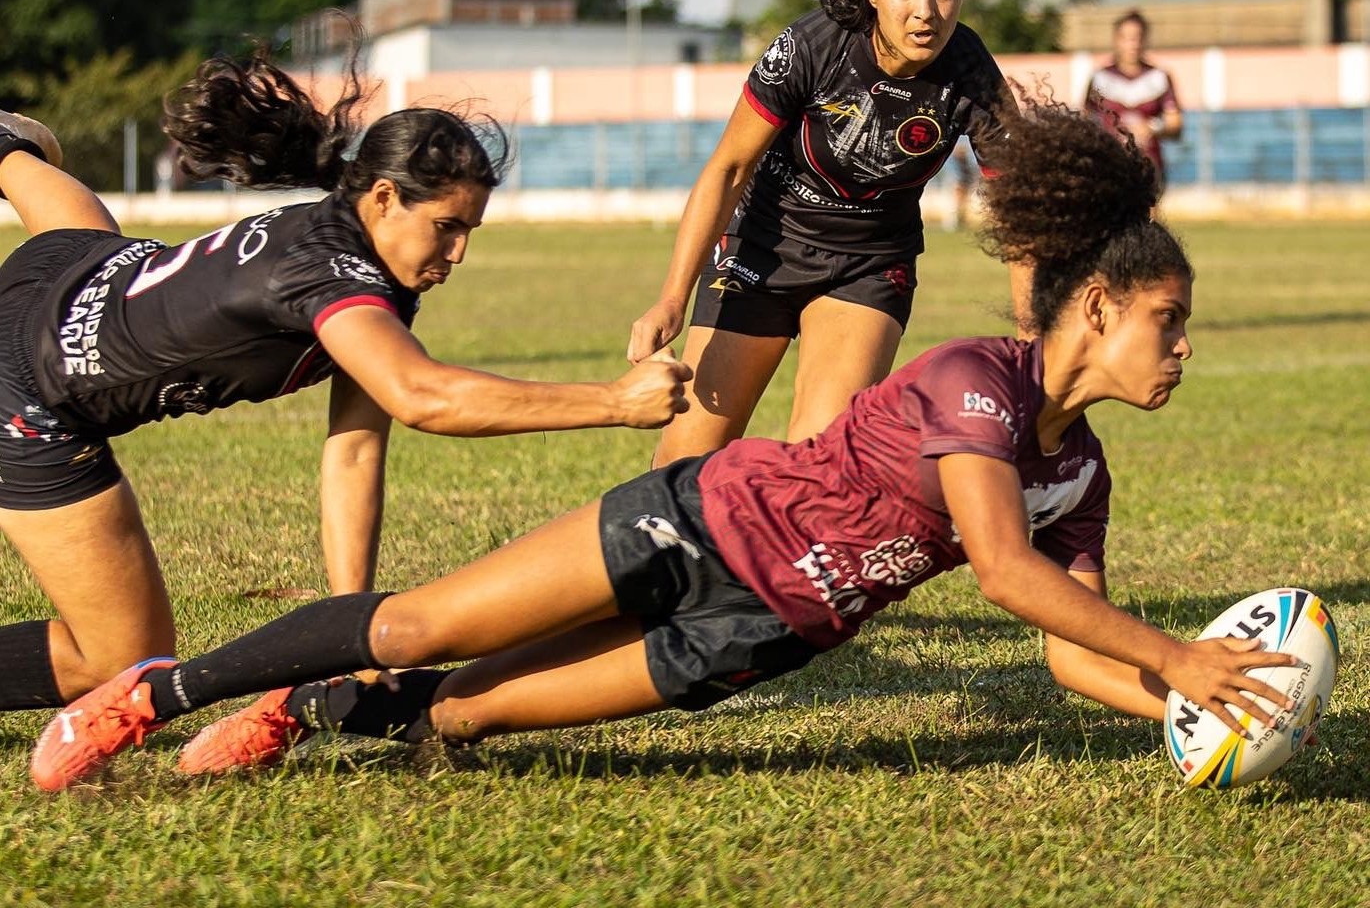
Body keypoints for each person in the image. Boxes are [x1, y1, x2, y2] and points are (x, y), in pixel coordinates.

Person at [31, 101, 1299, 793]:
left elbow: (1065, 636)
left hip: (760, 633)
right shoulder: (976, 383)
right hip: (694, 522)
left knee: (465, 715)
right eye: (1165, 323)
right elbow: (1004, 571)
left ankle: (305, 709)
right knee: (420, 626)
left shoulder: (1079, 470)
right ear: (1093, 309)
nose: (1179, 350)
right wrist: (1179, 650)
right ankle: (148, 698)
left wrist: (1188, 694)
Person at [0, 50, 689, 719]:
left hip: (71, 274)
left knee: (91, 237)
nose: (459, 253)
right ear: (385, 197)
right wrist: (615, 401)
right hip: (29, 394)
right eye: (446, 227)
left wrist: (350, 630)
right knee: (123, 659)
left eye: (470, 230)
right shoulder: (329, 274)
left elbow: (355, 449)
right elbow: (423, 396)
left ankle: (8, 152)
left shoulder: (363, 253)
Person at [628, 0, 1023, 467]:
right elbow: (729, 169)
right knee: (682, 467)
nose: (926, 12)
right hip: (763, 248)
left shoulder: (971, 72)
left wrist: (1032, 342)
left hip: (867, 266)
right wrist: (672, 297)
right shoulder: (812, 46)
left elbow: (1021, 208)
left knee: (817, 465)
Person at [1085, 9, 1183, 193]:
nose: (1133, 44)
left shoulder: (1159, 77)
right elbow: (1085, 121)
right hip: (1109, 166)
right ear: (1116, 40)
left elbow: (1175, 125)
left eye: (1137, 37)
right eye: (1127, 38)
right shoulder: (1100, 78)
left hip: (1149, 166)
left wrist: (1152, 128)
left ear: (1145, 39)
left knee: (1147, 220)